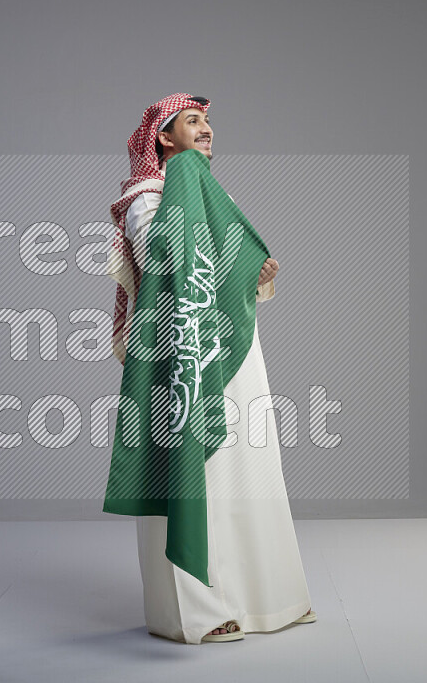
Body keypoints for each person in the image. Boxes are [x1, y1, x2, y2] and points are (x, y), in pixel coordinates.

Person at [106, 93, 316, 644]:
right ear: (163, 138)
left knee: (242, 467)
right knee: (191, 469)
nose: (207, 131)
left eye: (208, 124)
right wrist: (227, 262)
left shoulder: (207, 191)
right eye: (193, 122)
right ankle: (194, 611)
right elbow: (167, 262)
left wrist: (254, 272)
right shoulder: (147, 198)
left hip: (229, 349)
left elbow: (219, 268)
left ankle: (261, 597)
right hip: (179, 356)